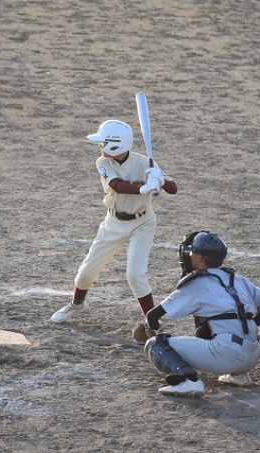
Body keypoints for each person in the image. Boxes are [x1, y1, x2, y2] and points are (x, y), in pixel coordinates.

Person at [51, 119, 178, 340]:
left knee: (135, 275)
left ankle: (152, 324)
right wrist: (144, 188)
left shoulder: (145, 162)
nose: (101, 146)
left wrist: (159, 179)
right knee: (86, 271)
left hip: (143, 223)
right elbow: (116, 185)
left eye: (104, 142)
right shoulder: (103, 162)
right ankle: (77, 304)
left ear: (117, 143)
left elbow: (173, 189)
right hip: (113, 223)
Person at [140, 231, 260, 398]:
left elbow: (152, 316)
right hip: (254, 354)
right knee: (214, 321)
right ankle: (239, 375)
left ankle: (187, 381)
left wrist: (151, 328)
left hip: (228, 356)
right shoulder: (236, 278)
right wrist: (248, 326)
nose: (189, 255)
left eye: (192, 252)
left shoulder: (197, 283)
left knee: (156, 344)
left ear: (200, 257)